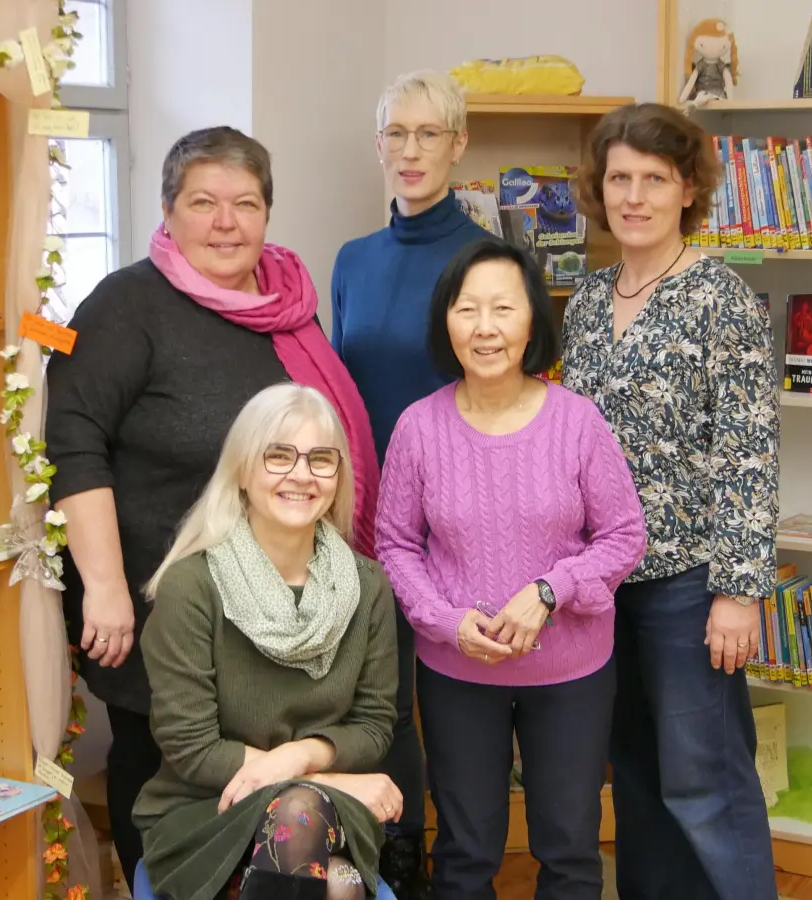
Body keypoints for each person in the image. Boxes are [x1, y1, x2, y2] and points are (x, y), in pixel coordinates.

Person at [44, 126, 381, 883]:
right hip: (160, 592)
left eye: (245, 203)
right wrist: (102, 585)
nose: (225, 222)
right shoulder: (126, 305)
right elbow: (72, 441)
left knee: (262, 767)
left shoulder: (286, 303)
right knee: (162, 760)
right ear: (168, 211)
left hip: (274, 600)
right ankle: (165, 881)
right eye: (203, 202)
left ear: (267, 212)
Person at [374, 239, 647, 899]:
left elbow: (623, 535)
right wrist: (444, 621)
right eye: (468, 310)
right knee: (465, 853)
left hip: (572, 673)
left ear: (532, 323)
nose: (485, 327)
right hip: (459, 672)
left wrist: (551, 592)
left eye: (503, 308)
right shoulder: (418, 428)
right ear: (446, 322)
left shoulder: (578, 423)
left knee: (570, 848)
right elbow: (394, 543)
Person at [558, 102, 781, 900]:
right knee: (639, 779)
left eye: (655, 179)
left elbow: (749, 451)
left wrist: (739, 591)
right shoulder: (584, 305)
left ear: (688, 189)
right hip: (602, 587)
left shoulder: (723, 299)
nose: (635, 195)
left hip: (691, 587)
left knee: (707, 783)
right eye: (620, 177)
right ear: (600, 188)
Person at [133, 382, 400, 900]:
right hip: (207, 810)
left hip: (331, 817)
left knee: (318, 857)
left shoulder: (367, 587)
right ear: (241, 468)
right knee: (334, 886)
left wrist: (297, 759)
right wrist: (331, 782)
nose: (301, 474)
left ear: (339, 475)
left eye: (321, 459)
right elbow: (192, 748)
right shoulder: (192, 586)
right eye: (279, 456)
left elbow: (373, 727)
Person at [329, 70, 491, 896]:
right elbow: (340, 393)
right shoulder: (353, 261)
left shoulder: (485, 261)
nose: (412, 150)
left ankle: (460, 868)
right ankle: (397, 857)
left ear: (459, 145)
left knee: (460, 709)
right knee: (381, 703)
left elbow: (506, 396)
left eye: (430, 134)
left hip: (460, 518)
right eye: (397, 133)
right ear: (379, 146)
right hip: (366, 522)